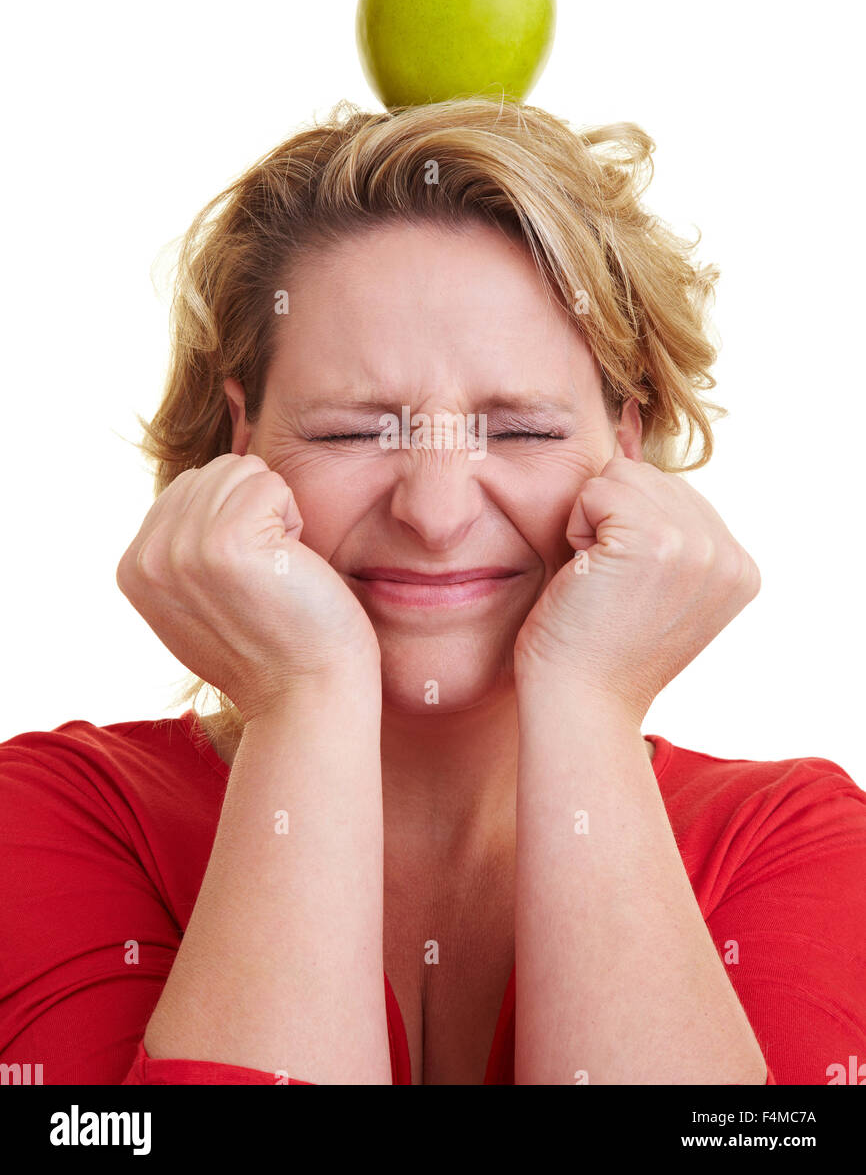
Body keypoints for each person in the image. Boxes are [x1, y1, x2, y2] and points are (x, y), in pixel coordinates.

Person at [2, 98, 865, 1086]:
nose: (437, 511)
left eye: (524, 429)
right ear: (241, 441)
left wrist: (585, 706)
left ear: (624, 448)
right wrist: (306, 698)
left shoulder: (796, 844)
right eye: (351, 430)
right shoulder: (52, 818)